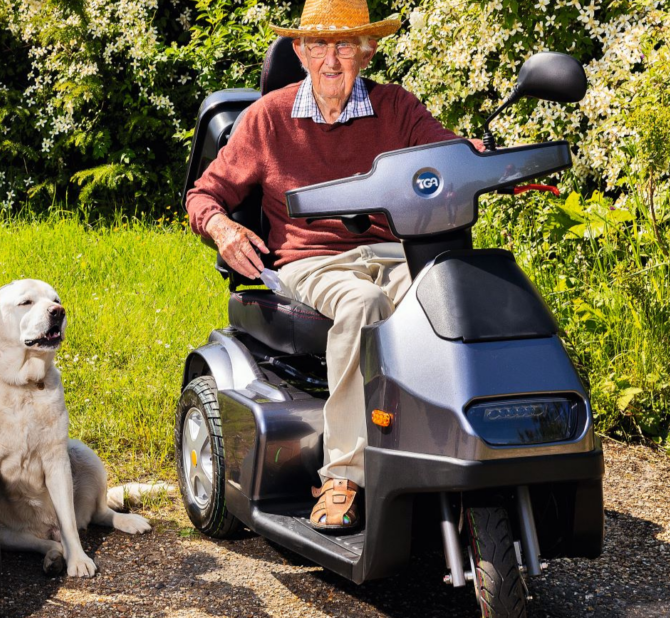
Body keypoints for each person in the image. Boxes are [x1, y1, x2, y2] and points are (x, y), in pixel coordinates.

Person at [185, 0, 485, 532]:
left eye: (344, 44)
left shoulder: (396, 108)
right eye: (318, 44)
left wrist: (474, 156)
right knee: (364, 305)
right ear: (298, 50)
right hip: (311, 259)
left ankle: (459, 447)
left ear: (366, 52)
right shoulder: (267, 118)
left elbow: (446, 153)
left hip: (395, 252)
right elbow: (204, 193)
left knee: (455, 296)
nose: (330, 58)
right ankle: (343, 474)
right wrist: (223, 227)